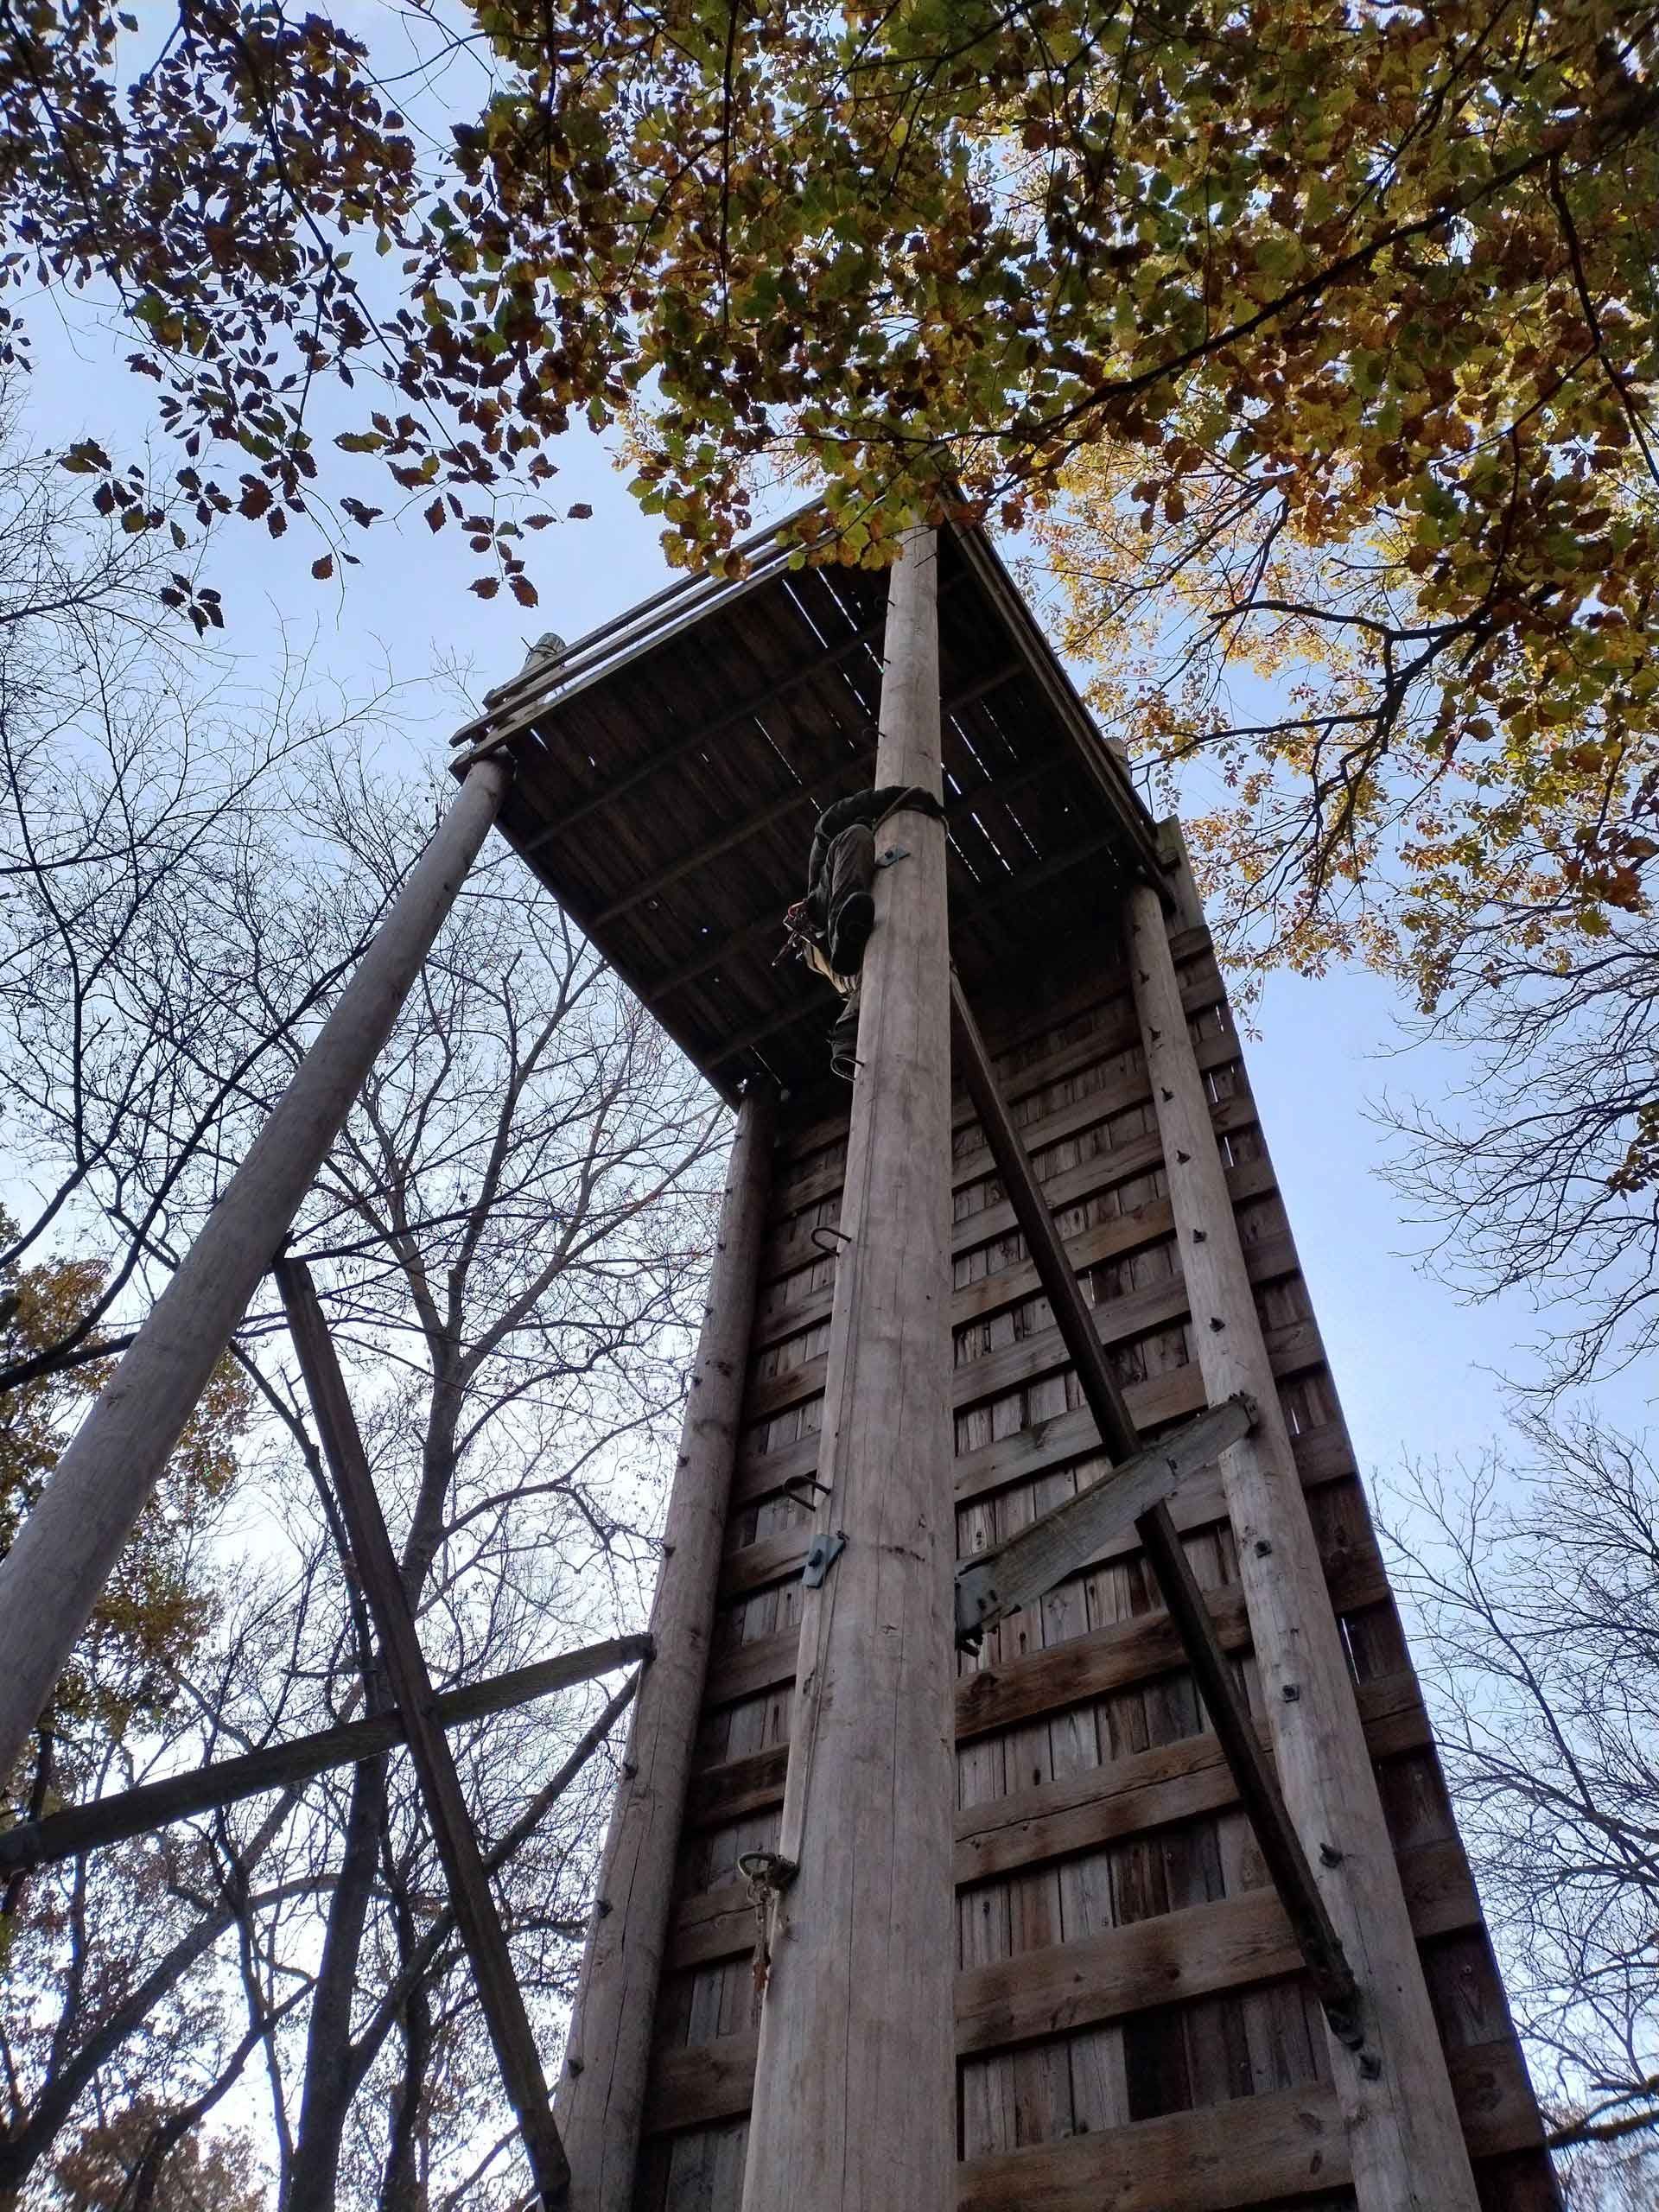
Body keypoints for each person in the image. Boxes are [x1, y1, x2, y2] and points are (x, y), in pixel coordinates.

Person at [787, 783, 946, 1078]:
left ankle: (848, 1040)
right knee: (856, 838)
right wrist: (901, 796)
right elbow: (838, 816)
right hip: (826, 925)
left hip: (855, 946)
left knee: (877, 965)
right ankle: (843, 938)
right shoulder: (833, 839)